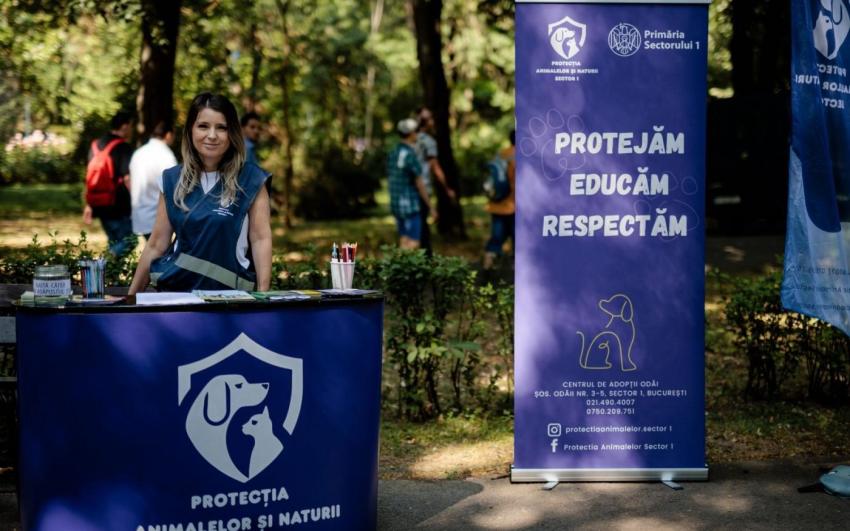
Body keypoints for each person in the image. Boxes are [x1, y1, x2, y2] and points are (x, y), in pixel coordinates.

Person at [128, 92, 272, 295]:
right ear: (190, 130)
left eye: (221, 127)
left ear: (232, 133)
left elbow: (260, 239)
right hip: (177, 297)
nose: (212, 135)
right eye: (203, 126)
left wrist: (263, 295)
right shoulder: (172, 179)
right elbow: (156, 244)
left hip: (231, 299)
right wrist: (131, 299)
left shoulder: (251, 179)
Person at [82, 110, 137, 256]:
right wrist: (137, 201)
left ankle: (108, 269)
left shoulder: (95, 145)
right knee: (130, 241)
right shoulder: (123, 147)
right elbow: (127, 178)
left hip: (99, 203)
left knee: (114, 241)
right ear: (124, 126)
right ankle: (104, 261)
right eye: (131, 126)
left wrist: (88, 204)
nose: (132, 129)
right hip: (118, 205)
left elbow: (90, 177)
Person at [388, 118, 435, 249]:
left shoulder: (393, 153)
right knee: (414, 243)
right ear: (411, 134)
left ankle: (399, 262)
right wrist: (431, 206)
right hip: (410, 204)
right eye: (416, 131)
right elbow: (420, 183)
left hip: (396, 204)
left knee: (404, 239)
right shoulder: (410, 155)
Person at [415, 107, 456, 254]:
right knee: (423, 228)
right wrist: (447, 188)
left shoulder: (409, 140)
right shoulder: (428, 141)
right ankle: (425, 259)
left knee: (414, 226)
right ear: (426, 123)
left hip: (407, 190)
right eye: (430, 119)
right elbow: (435, 168)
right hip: (423, 187)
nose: (433, 122)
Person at [129, 121, 177, 240]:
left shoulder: (139, 153)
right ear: (168, 135)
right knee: (160, 249)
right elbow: (174, 188)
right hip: (158, 217)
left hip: (139, 214)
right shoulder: (166, 156)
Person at [483, 129, 516, 270]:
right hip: (513, 204)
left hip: (496, 203)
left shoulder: (501, 154)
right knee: (517, 237)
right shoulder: (521, 155)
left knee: (496, 236)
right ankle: (516, 269)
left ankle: (487, 265)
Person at [241, 111, 273, 196]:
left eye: (259, 128)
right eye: (252, 127)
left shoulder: (250, 148)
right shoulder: (245, 149)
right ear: (242, 128)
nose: (256, 131)